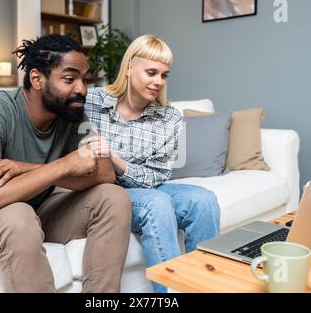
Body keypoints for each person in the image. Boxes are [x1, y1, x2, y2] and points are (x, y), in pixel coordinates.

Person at [0, 34, 132, 293]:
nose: (81, 88)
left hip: (40, 210)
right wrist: (64, 166)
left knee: (114, 197)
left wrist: (24, 167)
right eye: (69, 79)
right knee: (19, 216)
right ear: (37, 79)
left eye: (84, 78)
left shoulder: (70, 113)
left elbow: (105, 174)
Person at [84, 35, 221, 293]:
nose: (158, 81)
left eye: (164, 75)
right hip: (106, 191)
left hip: (147, 185)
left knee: (203, 200)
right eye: (151, 72)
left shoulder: (169, 117)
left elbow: (156, 176)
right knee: (155, 204)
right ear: (128, 68)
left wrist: (115, 158)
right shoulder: (93, 102)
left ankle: (204, 288)